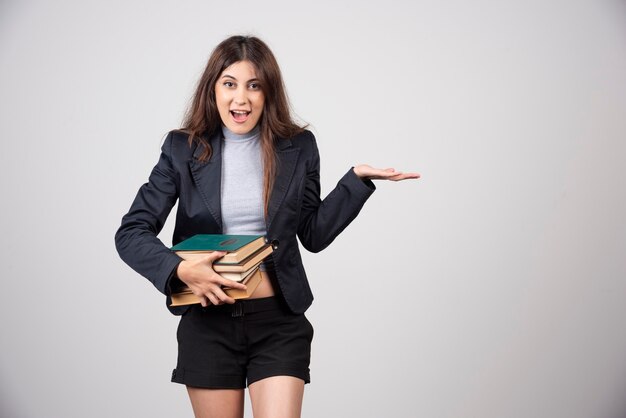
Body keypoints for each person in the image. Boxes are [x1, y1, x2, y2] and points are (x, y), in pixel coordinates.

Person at [115, 35, 419, 418]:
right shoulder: (181, 149)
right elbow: (131, 232)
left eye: (253, 85)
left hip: (279, 321)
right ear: (213, 89)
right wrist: (179, 270)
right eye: (229, 83)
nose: (240, 99)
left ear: (267, 92)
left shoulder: (299, 146)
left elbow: (313, 234)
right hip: (208, 323)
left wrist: (356, 182)